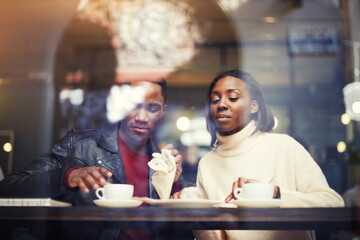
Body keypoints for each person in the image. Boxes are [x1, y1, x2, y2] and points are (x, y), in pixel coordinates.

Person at [0, 79, 183, 240]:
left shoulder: (164, 165)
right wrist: (65, 177)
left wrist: (173, 185)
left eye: (152, 108)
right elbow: (8, 189)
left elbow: (179, 230)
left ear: (163, 111)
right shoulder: (78, 146)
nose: (142, 117)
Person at [172, 70, 344, 240]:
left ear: (254, 106)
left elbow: (333, 206)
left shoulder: (284, 146)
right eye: (215, 99)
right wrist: (195, 216)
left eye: (232, 97)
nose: (221, 104)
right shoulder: (208, 163)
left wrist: (273, 194)